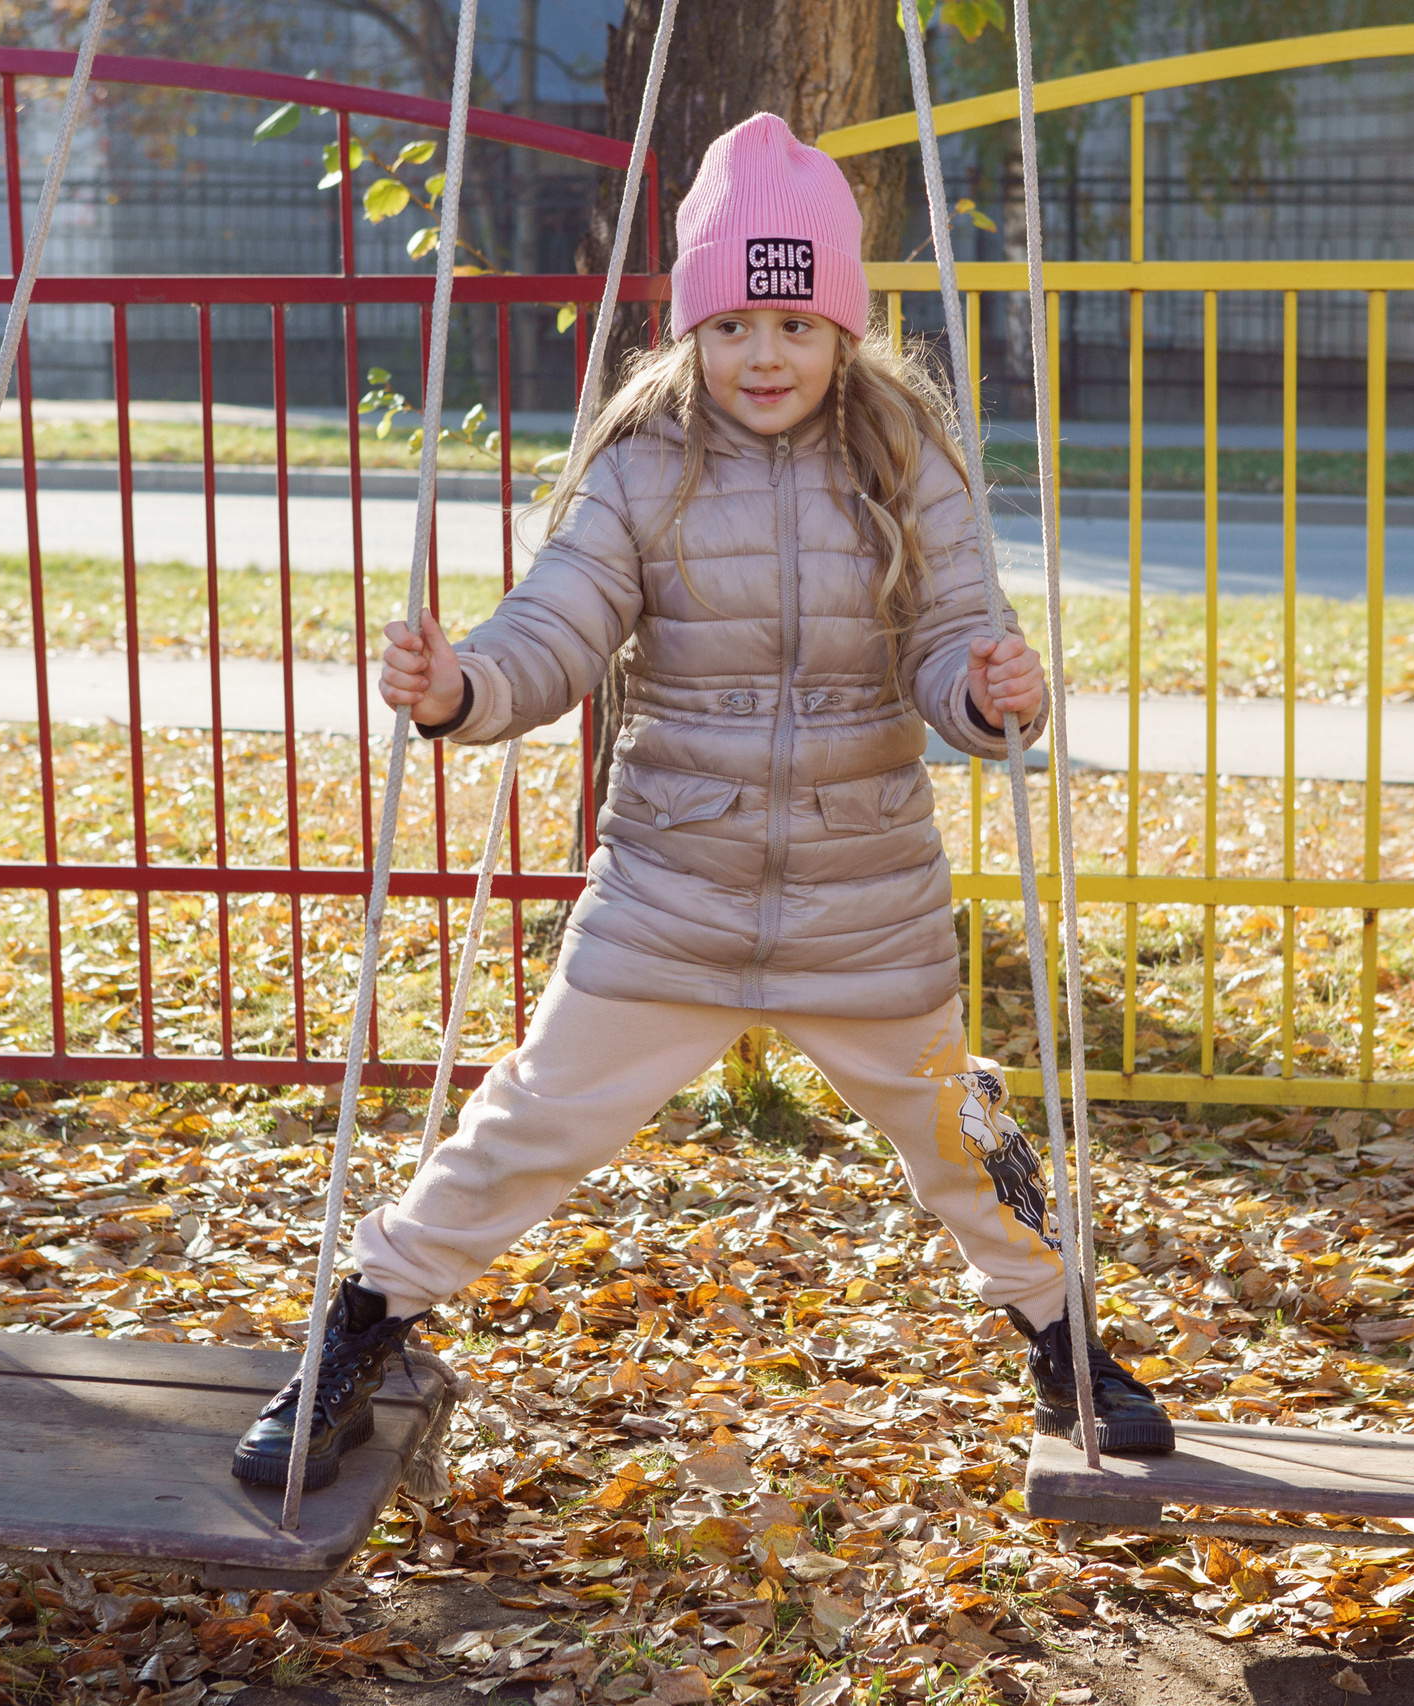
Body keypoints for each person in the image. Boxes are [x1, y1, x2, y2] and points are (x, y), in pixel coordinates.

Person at [232, 113, 1172, 1491]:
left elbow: (949, 641)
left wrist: (990, 691)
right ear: (691, 333)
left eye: (792, 320)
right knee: (525, 1122)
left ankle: (1068, 1339)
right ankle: (359, 1324)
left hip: (865, 899)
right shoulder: (642, 463)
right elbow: (558, 630)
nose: (764, 356)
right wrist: (462, 685)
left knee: (965, 1138)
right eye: (731, 324)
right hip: (671, 890)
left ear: (843, 325)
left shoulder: (909, 458)